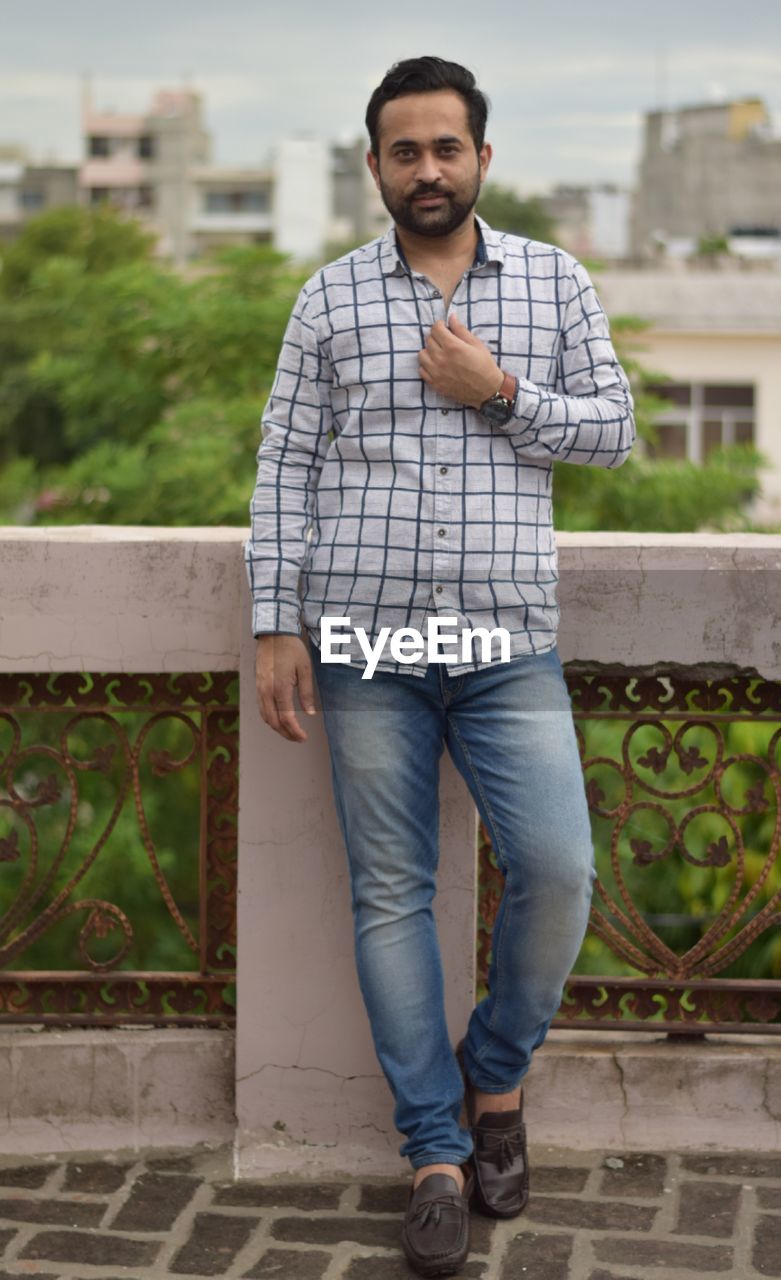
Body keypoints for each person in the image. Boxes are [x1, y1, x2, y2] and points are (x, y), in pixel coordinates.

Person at [244, 55, 636, 1279]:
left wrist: (501, 390)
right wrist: (275, 620)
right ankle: (432, 1150)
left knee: (558, 867)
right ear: (373, 167)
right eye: (403, 151)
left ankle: (497, 1081)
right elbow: (284, 471)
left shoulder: (554, 281)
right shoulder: (328, 301)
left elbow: (616, 429)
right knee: (391, 893)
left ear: (481, 156)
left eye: (446, 148)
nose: (427, 169)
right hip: (363, 642)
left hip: (503, 640)